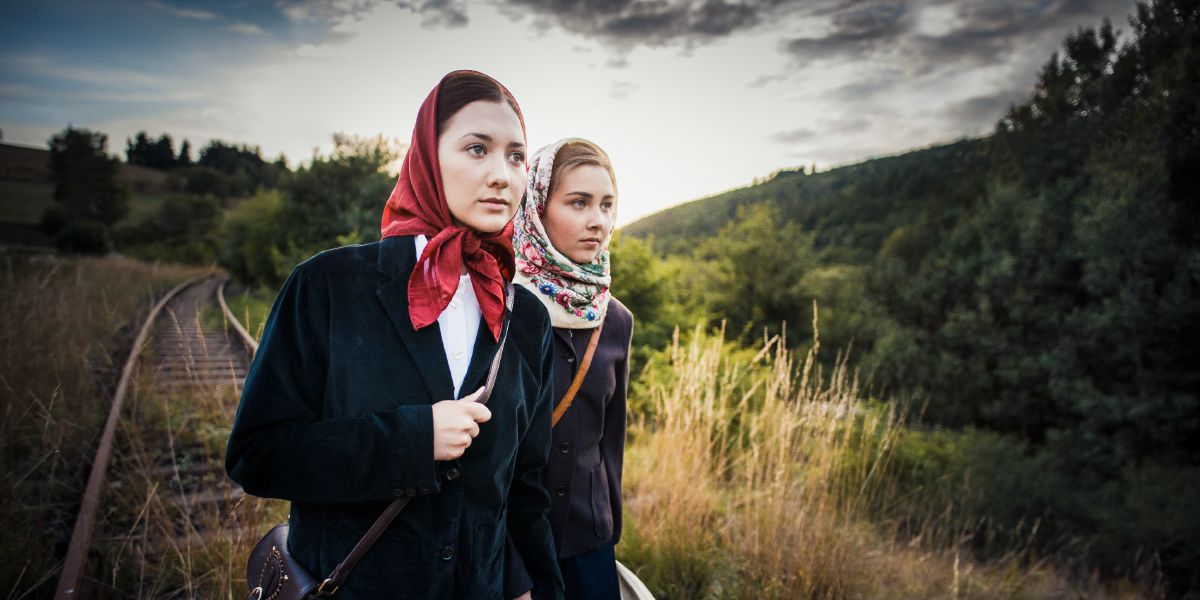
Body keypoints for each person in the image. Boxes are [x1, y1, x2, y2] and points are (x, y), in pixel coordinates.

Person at [225, 70, 564, 600]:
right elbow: (258, 454)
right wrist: (411, 440)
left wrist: (532, 586)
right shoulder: (329, 285)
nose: (502, 174)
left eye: (517, 156)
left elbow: (525, 488)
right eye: (477, 149)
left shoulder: (527, 319)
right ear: (427, 157)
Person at [504, 139, 634, 600]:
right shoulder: (502, 306)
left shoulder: (615, 319)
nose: (597, 221)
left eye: (606, 204)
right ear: (537, 207)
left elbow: (610, 439)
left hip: (589, 545)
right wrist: (509, 569)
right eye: (578, 202)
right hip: (511, 546)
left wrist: (608, 524)